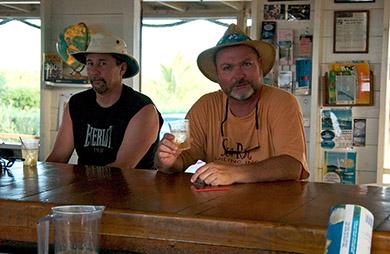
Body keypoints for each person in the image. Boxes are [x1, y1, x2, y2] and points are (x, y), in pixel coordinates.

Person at [154, 24, 309, 185]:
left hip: (274, 206)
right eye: (227, 68)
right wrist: (167, 160)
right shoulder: (205, 106)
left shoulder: (282, 102)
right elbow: (180, 160)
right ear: (217, 73)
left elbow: (292, 166)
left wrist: (235, 173)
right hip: (216, 205)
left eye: (246, 64)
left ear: (260, 65)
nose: (238, 75)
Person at [46, 33, 163, 169]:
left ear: (122, 68)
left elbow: (121, 168)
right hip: (84, 188)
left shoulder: (142, 109)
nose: (94, 71)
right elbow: (58, 157)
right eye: (90, 63)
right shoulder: (76, 104)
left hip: (132, 189)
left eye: (102, 63)